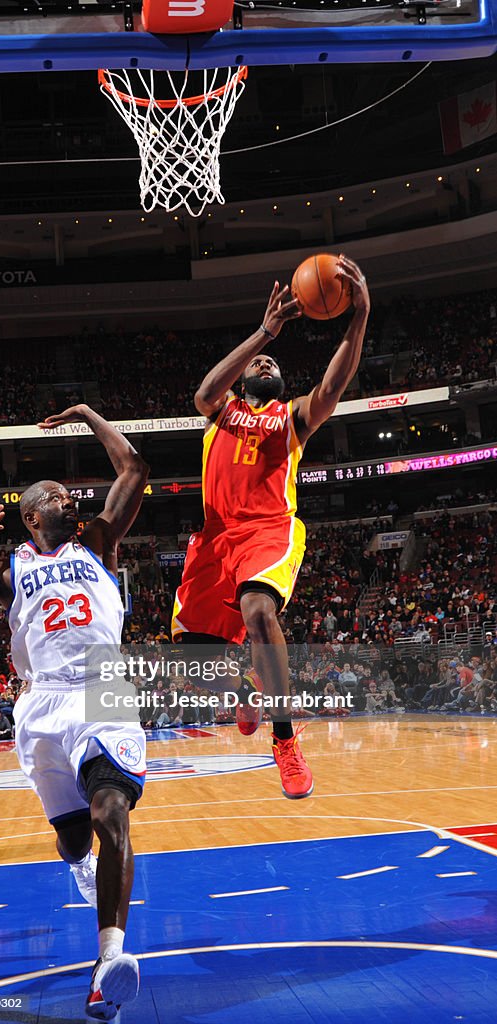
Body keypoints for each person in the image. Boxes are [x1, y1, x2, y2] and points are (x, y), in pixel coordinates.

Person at [0, 403, 149, 1023]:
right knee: (70, 837)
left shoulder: (100, 542)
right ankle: (82, 864)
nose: (71, 498)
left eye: (70, 492)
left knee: (110, 809)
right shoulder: (8, 571)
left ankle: (108, 958)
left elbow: (135, 469)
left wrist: (89, 413)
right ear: (32, 516)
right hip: (39, 704)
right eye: (57, 496)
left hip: (100, 686)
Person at [172, 256, 370, 798]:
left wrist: (359, 316)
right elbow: (204, 394)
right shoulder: (224, 411)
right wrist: (264, 331)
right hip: (214, 539)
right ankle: (240, 689)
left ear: (281, 382)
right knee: (199, 667)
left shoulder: (293, 416)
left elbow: (333, 384)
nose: (264, 361)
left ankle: (283, 740)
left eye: (271, 360)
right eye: (258, 359)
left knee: (259, 611)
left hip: (267, 529)